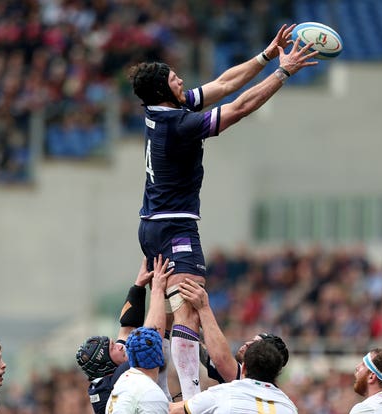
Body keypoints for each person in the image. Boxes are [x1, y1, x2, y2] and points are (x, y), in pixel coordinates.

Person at [129, 24, 319, 400]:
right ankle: (187, 399)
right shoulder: (179, 123)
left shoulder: (165, 109)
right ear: (161, 91)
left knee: (169, 320)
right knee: (190, 312)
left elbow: (223, 84)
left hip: (154, 224)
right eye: (173, 78)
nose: (181, 79)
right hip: (175, 228)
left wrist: (266, 56)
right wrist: (284, 72)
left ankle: (168, 396)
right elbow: (239, 107)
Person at [77, 255, 174, 414]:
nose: (121, 347)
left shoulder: (105, 375)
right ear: (106, 365)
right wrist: (157, 290)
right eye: (114, 348)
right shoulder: (117, 379)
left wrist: (139, 286)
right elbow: (149, 338)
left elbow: (127, 329)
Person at [178, 277, 288, 385]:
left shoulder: (245, 379)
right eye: (251, 340)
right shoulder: (272, 392)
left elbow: (220, 357)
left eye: (254, 345)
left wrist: (203, 308)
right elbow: (204, 347)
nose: (247, 343)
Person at [169, 340, 297, 414]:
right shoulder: (289, 407)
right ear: (276, 374)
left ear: (244, 368)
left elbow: (173, 410)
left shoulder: (223, 393)